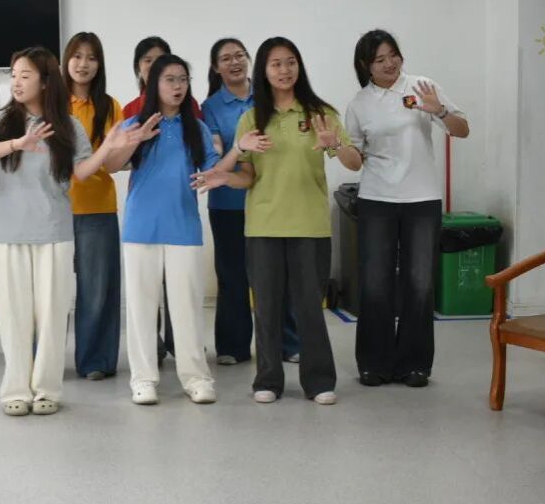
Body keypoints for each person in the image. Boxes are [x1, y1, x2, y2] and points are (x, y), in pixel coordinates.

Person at [201, 36, 361, 405]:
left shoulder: (320, 112)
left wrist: (334, 143)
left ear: (299, 66)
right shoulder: (252, 118)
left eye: (290, 62)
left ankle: (319, 381)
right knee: (267, 308)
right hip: (263, 226)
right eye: (276, 64)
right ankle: (268, 379)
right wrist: (226, 176)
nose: (284, 70)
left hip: (309, 225)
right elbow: (247, 176)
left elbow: (354, 162)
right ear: (264, 70)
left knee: (309, 308)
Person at [0, 46, 123, 416]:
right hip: (8, 233)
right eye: (13, 75)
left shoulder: (66, 125)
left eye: (25, 75)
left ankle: (47, 389)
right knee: (14, 316)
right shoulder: (3, 120)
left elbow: (82, 171)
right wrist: (17, 144)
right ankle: (15, 390)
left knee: (53, 315)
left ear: (44, 81)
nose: (16, 82)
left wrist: (110, 147)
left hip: (54, 232)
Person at [346, 29, 469, 388]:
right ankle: (374, 363)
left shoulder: (422, 86)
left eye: (393, 55)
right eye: (379, 59)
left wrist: (439, 110)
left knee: (419, 282)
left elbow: (462, 129)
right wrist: (335, 146)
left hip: (422, 199)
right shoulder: (359, 103)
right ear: (366, 66)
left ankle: (415, 364)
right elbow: (354, 156)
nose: (389, 64)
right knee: (375, 282)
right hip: (377, 199)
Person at [105, 53, 219, 405]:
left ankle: (196, 378)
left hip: (184, 227)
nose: (178, 86)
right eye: (170, 79)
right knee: (141, 308)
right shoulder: (133, 124)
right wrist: (133, 139)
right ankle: (143, 379)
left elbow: (213, 169)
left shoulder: (196, 128)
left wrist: (222, 165)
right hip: (141, 227)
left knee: (187, 308)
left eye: (183, 79)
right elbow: (111, 165)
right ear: (153, 83)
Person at [201, 37, 299, 366]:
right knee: (232, 276)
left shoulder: (270, 96)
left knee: (277, 275)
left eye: (239, 55)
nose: (234, 62)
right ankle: (233, 346)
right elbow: (215, 153)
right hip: (227, 202)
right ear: (216, 68)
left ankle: (288, 343)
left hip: (271, 198)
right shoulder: (210, 107)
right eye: (226, 58)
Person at [61, 32, 123, 380]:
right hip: (53, 210)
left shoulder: (110, 106)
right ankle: (43, 361)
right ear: (66, 60)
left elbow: (114, 162)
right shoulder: (52, 103)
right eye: (77, 56)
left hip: (98, 207)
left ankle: (95, 360)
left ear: (99, 65)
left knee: (97, 290)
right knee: (50, 292)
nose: (83, 64)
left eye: (91, 57)